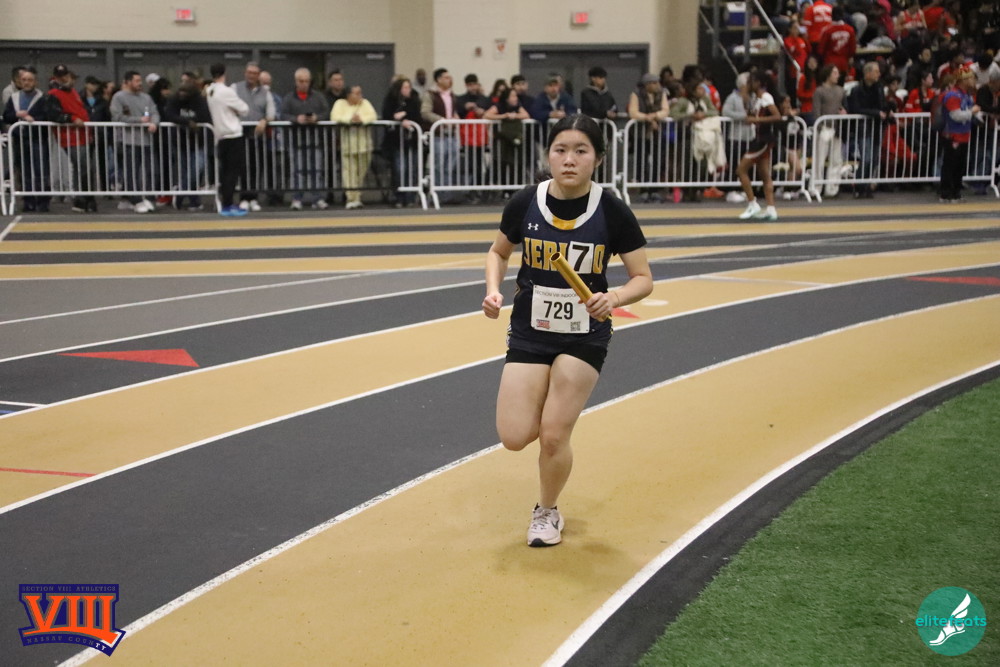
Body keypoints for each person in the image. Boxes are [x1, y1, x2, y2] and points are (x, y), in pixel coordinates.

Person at [481, 114, 653, 547]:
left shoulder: (611, 210)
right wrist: (493, 290)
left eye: (581, 151)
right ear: (548, 155)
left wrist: (614, 298)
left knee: (554, 435)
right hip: (530, 331)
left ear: (598, 159)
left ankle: (547, 511)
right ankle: (546, 414)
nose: (570, 160)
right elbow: (498, 252)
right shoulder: (526, 202)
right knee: (514, 436)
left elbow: (643, 278)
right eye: (560, 150)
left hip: (585, 335)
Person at [45, 65, 97, 213]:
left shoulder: (73, 92)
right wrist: (72, 118)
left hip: (82, 135)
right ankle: (83, 199)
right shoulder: (53, 95)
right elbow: (54, 115)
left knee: (83, 167)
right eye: (61, 76)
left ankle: (84, 199)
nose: (65, 78)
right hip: (70, 137)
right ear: (56, 78)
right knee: (83, 167)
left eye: (66, 75)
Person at [280, 68, 331, 210]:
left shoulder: (318, 97)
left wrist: (316, 118)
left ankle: (317, 198)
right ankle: (297, 198)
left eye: (307, 81)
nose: (304, 84)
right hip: (296, 140)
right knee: (297, 171)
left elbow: (326, 113)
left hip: (315, 140)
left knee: (317, 170)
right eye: (301, 81)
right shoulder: (288, 98)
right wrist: (296, 119)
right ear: (296, 82)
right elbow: (283, 114)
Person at [110, 70, 159, 213]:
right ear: (127, 82)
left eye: (140, 80)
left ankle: (149, 198)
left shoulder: (146, 97)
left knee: (152, 170)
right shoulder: (119, 97)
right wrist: (139, 120)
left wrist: (154, 123)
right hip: (128, 140)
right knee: (131, 172)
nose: (140, 83)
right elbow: (117, 117)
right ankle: (135, 199)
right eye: (136, 81)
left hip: (146, 140)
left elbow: (154, 112)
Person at [736, 71, 782, 221]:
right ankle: (771, 208)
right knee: (764, 174)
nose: (749, 84)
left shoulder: (766, 97)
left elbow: (777, 116)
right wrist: (745, 98)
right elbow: (750, 115)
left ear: (758, 83)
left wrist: (757, 120)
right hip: (759, 137)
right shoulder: (756, 99)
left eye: (751, 81)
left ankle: (752, 203)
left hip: (763, 139)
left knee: (741, 170)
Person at [206, 63, 250, 217]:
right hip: (233, 134)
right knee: (232, 172)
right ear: (224, 73)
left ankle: (226, 202)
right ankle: (228, 204)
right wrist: (234, 111)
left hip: (220, 136)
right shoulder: (226, 91)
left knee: (225, 172)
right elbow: (244, 109)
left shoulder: (210, 90)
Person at [232, 61, 277, 211]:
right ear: (245, 73)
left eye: (254, 73)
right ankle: (244, 197)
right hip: (239, 133)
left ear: (258, 75)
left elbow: (271, 113)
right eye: (249, 72)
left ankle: (254, 198)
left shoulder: (266, 92)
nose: (251, 75)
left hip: (258, 135)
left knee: (256, 167)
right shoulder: (235, 88)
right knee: (242, 167)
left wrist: (265, 120)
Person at [3, 68, 49, 212]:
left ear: (35, 82)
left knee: (41, 170)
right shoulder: (14, 98)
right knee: (24, 172)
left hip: (38, 139)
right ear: (19, 81)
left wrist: (33, 119)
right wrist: (17, 114)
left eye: (29, 80)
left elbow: (47, 116)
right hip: (20, 140)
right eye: (24, 80)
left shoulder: (43, 98)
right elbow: (6, 116)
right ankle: (28, 201)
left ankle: (43, 201)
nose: (27, 83)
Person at [163, 82, 212, 210]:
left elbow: (204, 116)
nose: (182, 94)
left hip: (198, 142)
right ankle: (194, 201)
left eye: (185, 92)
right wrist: (187, 122)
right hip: (180, 142)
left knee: (196, 170)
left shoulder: (200, 101)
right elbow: (169, 115)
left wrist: (190, 122)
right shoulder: (174, 99)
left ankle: (180, 191)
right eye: (180, 91)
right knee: (185, 172)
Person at [846, 61, 892, 198]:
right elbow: (856, 109)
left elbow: (882, 104)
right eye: (876, 71)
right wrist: (876, 113)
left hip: (877, 127)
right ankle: (859, 185)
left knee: (874, 159)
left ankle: (866, 186)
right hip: (863, 128)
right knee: (866, 158)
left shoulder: (879, 88)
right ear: (867, 73)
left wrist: (888, 110)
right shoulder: (856, 90)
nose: (879, 74)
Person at [331, 84, 378, 209]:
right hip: (348, 146)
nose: (360, 95)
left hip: (364, 146)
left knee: (361, 173)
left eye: (360, 93)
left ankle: (357, 197)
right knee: (349, 173)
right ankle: (351, 198)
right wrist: (350, 119)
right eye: (356, 93)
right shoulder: (340, 104)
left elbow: (372, 116)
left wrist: (361, 119)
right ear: (349, 95)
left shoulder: (365, 103)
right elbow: (335, 117)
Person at [939, 68, 981, 202]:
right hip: (953, 135)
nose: (973, 80)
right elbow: (955, 115)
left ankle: (956, 192)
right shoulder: (953, 95)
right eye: (971, 78)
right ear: (963, 80)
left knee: (960, 165)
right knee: (951, 164)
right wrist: (972, 112)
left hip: (964, 134)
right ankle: (946, 193)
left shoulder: (966, 95)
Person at [381, 76, 422, 206]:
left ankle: (411, 197)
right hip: (397, 141)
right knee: (399, 169)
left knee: (412, 169)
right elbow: (387, 114)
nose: (408, 89)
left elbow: (417, 115)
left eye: (409, 87)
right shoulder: (391, 99)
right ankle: (399, 196)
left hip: (412, 141)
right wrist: (397, 118)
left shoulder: (414, 99)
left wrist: (404, 115)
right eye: (405, 87)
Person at [811, 64, 847, 198]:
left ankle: (832, 188)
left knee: (836, 159)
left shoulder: (841, 91)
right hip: (824, 128)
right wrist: (820, 127)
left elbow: (843, 107)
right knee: (819, 160)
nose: (838, 75)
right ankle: (815, 187)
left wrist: (844, 113)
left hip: (836, 128)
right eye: (835, 73)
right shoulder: (819, 91)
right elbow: (816, 111)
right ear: (828, 75)